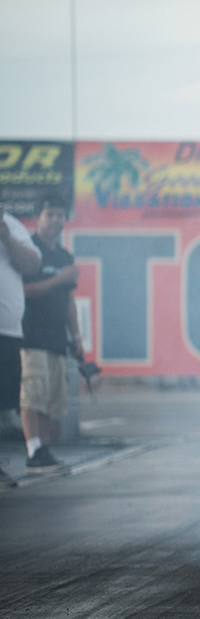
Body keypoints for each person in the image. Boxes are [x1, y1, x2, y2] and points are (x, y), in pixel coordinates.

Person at [19, 199, 84, 475]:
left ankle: (42, 450)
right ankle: (33, 448)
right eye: (50, 214)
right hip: (30, 334)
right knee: (32, 393)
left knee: (49, 397)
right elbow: (21, 291)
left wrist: (77, 336)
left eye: (60, 215)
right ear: (38, 217)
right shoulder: (27, 252)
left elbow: (69, 298)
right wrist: (57, 279)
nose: (55, 220)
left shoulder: (64, 257)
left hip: (57, 337)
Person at [0, 205, 43, 485]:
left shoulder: (10, 225)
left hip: (8, 331)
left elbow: (32, 265)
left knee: (4, 401)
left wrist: (6, 237)